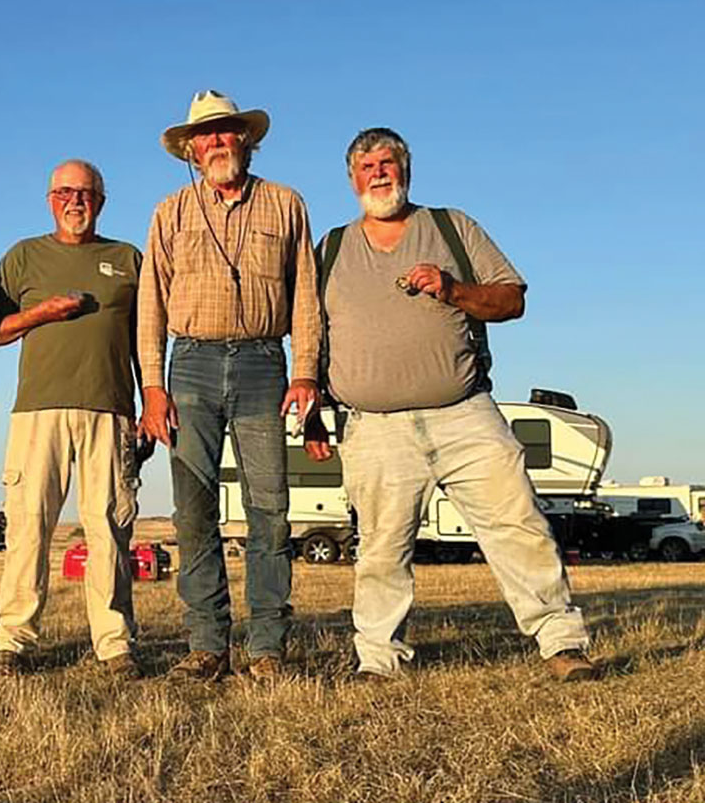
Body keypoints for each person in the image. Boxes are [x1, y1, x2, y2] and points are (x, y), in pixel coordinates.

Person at [308, 127, 595, 682]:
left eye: (387, 163)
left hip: (464, 411)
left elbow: (512, 298)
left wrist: (453, 289)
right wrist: (315, 403)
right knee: (380, 550)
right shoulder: (332, 248)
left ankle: (562, 643)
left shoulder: (451, 227)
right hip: (373, 424)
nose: (378, 173)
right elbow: (313, 334)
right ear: (351, 180)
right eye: (366, 167)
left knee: (518, 525)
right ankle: (379, 659)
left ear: (407, 169)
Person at [137, 91, 322, 680]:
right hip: (188, 366)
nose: (217, 143)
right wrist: (154, 389)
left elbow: (307, 297)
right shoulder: (169, 211)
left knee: (270, 511)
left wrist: (305, 372)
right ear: (191, 150)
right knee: (193, 512)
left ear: (247, 139)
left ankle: (267, 648)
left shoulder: (286, 203)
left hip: (264, 364)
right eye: (206, 136)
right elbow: (150, 306)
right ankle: (207, 644)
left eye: (226, 132)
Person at [0, 160, 143, 678]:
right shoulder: (24, 257)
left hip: (112, 409)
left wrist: (150, 404)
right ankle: (13, 640)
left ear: (102, 200)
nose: (75, 201)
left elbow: (147, 341)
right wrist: (42, 314)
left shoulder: (127, 259)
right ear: (50, 199)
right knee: (30, 524)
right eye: (65, 193)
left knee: (108, 526)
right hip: (38, 412)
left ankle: (115, 642)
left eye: (86, 193)